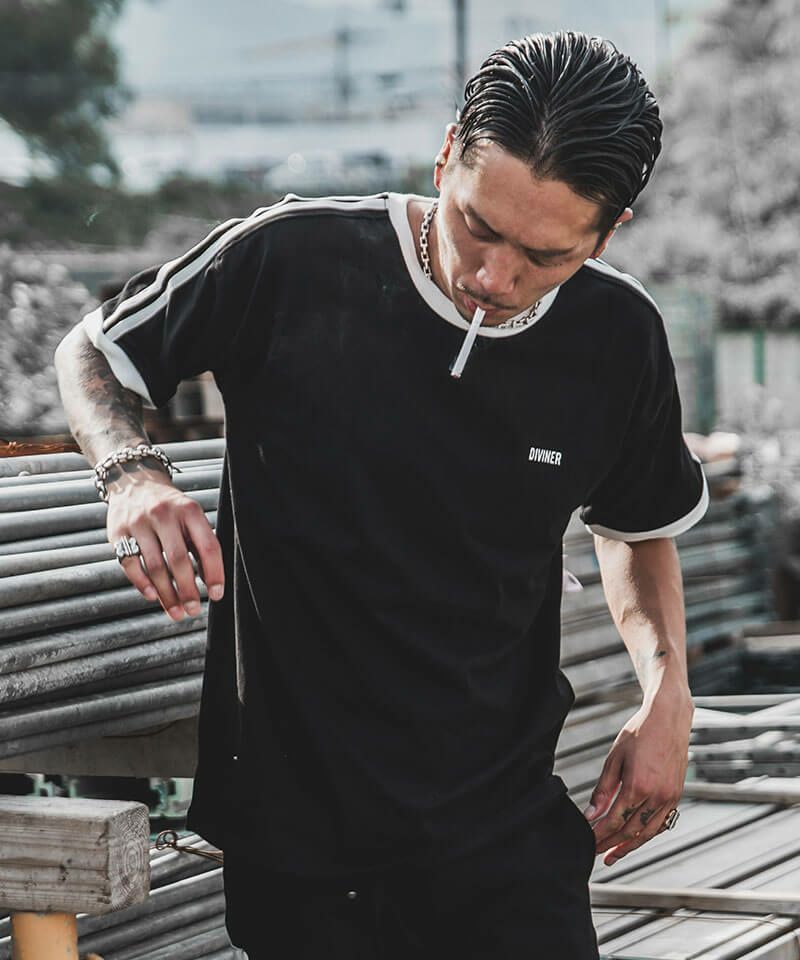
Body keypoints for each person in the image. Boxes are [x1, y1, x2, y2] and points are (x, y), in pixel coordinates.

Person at [55, 30, 707, 960]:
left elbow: (638, 527)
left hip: (504, 831)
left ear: (607, 234)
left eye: (544, 255)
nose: (494, 277)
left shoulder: (618, 337)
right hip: (299, 839)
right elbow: (94, 349)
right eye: (478, 225)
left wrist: (667, 692)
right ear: (446, 158)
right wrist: (131, 473)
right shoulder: (291, 257)